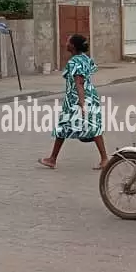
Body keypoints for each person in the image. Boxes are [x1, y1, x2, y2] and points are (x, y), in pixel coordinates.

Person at [38, 34, 109, 170]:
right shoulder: (86, 59)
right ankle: (53, 158)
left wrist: (81, 103)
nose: (66, 43)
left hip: (76, 99)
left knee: (69, 126)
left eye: (68, 41)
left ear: (73, 46)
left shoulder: (74, 62)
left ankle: (53, 159)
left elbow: (79, 82)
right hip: (90, 96)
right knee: (88, 127)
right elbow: (89, 73)